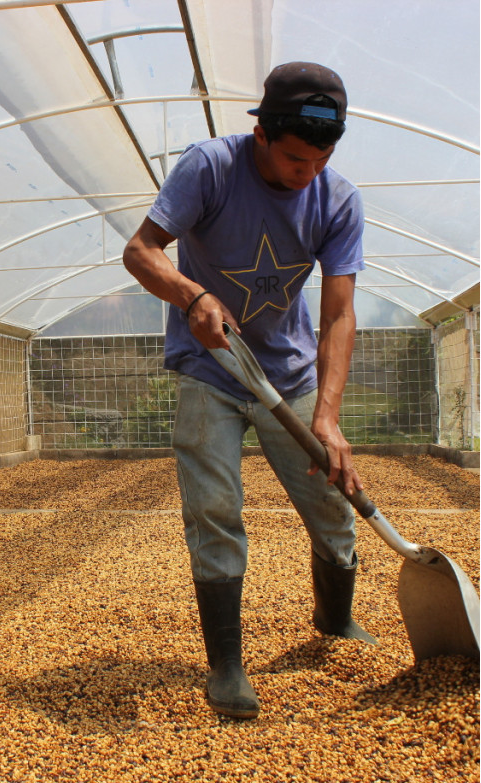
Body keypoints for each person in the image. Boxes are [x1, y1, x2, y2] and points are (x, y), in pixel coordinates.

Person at [123, 62, 375, 720]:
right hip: (211, 368)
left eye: (320, 159)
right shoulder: (210, 168)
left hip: (287, 377)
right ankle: (227, 665)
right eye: (295, 159)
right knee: (215, 510)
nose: (307, 173)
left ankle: (335, 621)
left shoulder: (338, 200)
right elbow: (142, 250)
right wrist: (191, 293)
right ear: (261, 132)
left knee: (332, 506)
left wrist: (327, 414)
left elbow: (339, 314)